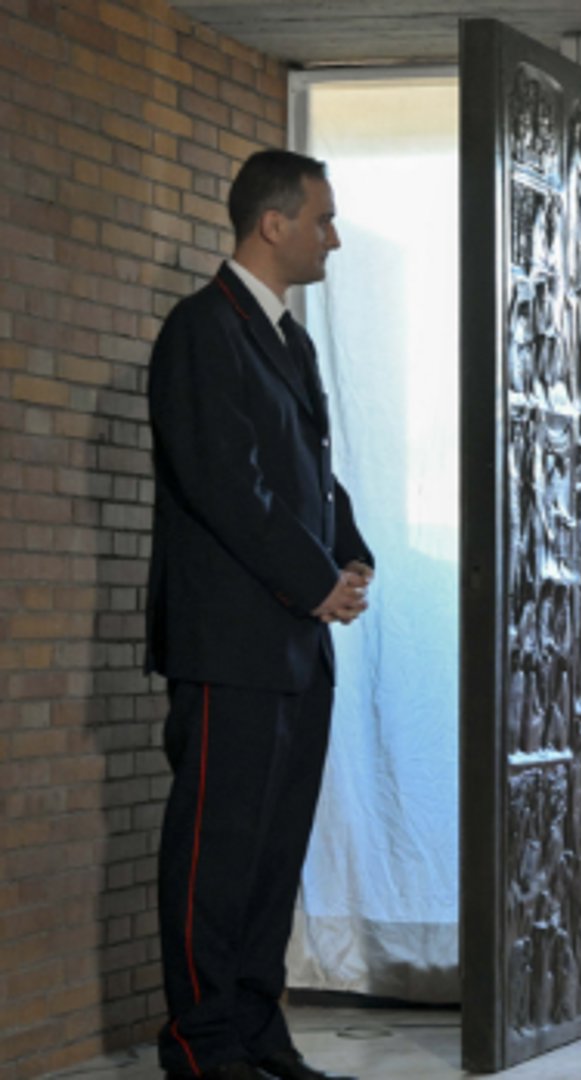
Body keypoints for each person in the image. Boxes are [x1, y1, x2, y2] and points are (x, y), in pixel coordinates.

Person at [146, 150, 370, 1080]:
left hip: (294, 644)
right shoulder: (204, 330)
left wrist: (349, 557)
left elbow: (309, 475)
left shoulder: (288, 337)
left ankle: (254, 1028)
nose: (334, 234)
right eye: (321, 218)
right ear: (271, 224)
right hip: (231, 641)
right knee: (217, 850)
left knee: (274, 851)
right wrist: (312, 578)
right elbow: (223, 487)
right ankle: (200, 1045)